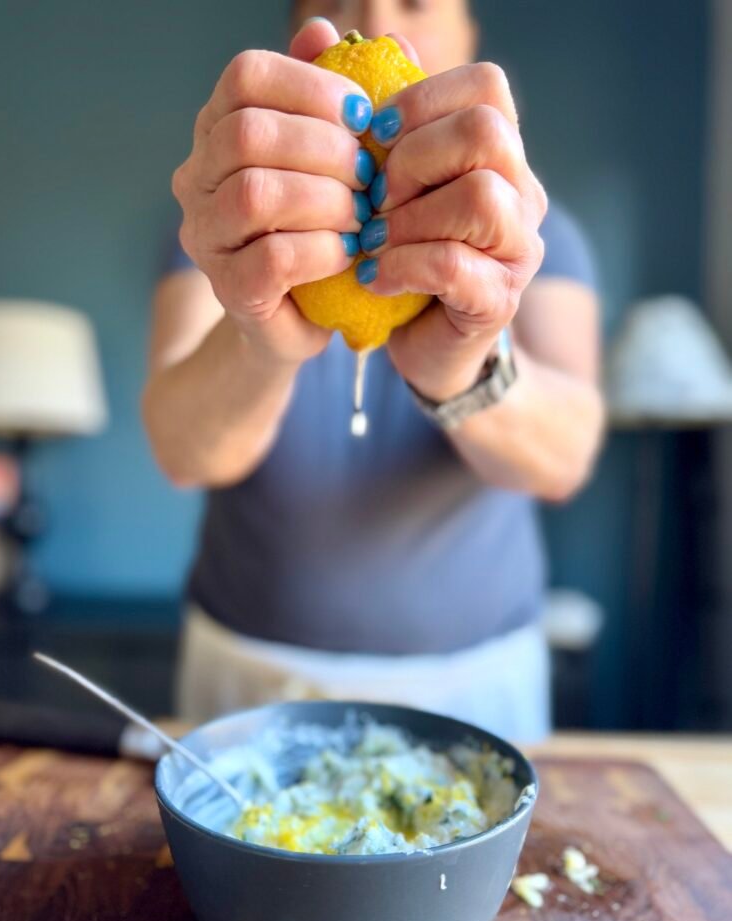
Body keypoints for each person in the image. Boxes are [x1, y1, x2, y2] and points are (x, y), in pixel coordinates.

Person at [142, 0, 604, 741]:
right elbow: (182, 450)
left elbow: (563, 459)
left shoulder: (533, 230)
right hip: (250, 673)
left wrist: (461, 366)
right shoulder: (233, 223)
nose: (379, 23)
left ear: (468, 35)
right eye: (337, 0)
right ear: (299, 37)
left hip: (471, 683)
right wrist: (263, 338)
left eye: (416, 2)